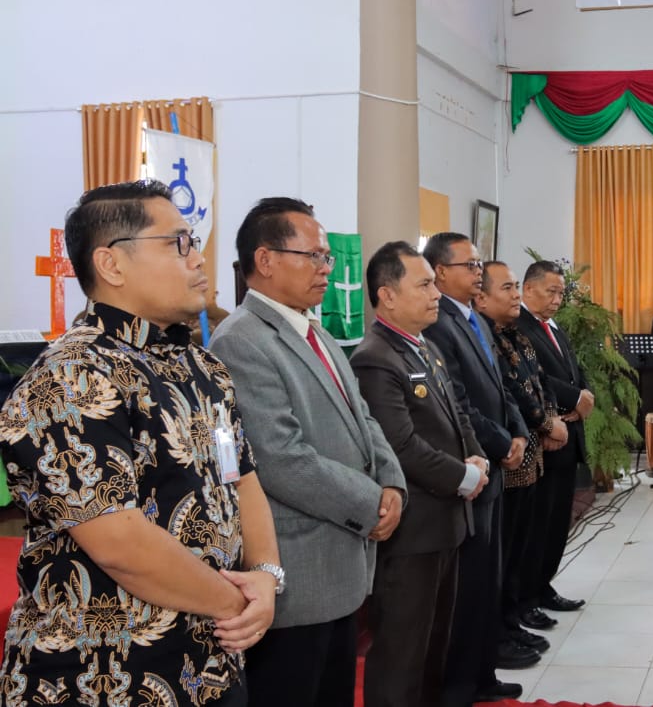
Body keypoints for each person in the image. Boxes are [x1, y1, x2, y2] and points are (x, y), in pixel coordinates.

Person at [0, 181, 280, 706]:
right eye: (178, 243)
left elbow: (241, 478)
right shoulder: (72, 375)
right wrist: (237, 601)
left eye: (193, 240)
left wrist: (265, 576)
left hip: (211, 661)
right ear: (112, 264)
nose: (199, 258)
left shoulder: (203, 367)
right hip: (102, 673)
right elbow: (120, 543)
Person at [211, 197, 405, 707]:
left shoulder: (313, 328)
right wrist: (370, 504)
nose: (327, 268)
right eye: (314, 256)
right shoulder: (242, 341)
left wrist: (391, 482)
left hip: (341, 563)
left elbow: (363, 417)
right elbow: (279, 457)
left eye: (327, 257)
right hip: (299, 569)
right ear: (266, 259)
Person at [350, 241, 489, 707]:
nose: (435, 294)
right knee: (402, 653)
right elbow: (400, 445)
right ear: (387, 296)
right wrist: (463, 477)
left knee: (433, 648)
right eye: (424, 284)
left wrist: (477, 457)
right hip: (413, 530)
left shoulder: (423, 345)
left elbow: (458, 415)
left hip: (445, 524)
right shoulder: (375, 357)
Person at [422, 233, 535, 704]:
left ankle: (483, 672)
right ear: (441, 271)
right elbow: (460, 400)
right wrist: (499, 440)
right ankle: (462, 682)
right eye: (469, 265)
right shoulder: (438, 323)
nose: (477, 271)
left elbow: (499, 384)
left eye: (479, 263)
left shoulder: (474, 319)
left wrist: (518, 430)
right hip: (472, 463)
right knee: (469, 586)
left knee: (488, 577)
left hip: (493, 458)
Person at [475, 261, 568, 655]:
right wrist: (544, 425)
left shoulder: (516, 335)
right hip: (509, 457)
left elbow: (541, 384)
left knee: (523, 541)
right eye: (508, 288)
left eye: (516, 287)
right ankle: (504, 625)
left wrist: (548, 421)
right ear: (481, 297)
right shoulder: (487, 336)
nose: (515, 296)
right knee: (508, 548)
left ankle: (515, 617)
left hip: (532, 455)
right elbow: (509, 390)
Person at [517, 261, 592, 615]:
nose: (558, 299)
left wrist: (584, 397)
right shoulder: (518, 327)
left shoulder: (553, 327)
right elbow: (537, 377)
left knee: (558, 522)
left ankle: (544, 585)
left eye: (561, 292)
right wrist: (574, 398)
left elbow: (576, 371)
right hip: (545, 438)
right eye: (551, 291)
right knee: (538, 523)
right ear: (527, 289)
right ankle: (527, 594)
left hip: (569, 432)